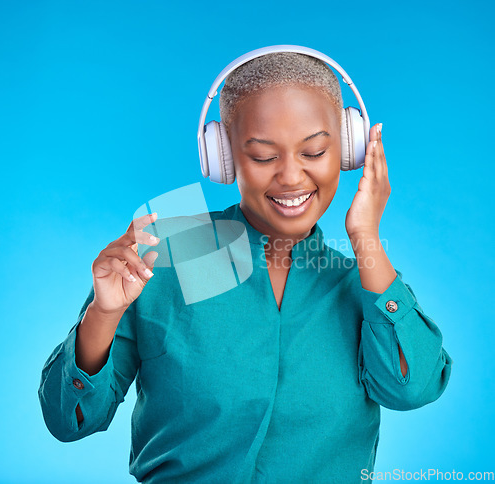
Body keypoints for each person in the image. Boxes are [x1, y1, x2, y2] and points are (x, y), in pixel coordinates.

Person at [38, 49, 453, 483]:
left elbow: (413, 389)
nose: (291, 177)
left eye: (314, 151)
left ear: (348, 150)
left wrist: (366, 235)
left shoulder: (359, 283)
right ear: (223, 157)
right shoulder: (166, 253)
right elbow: (69, 421)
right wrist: (103, 314)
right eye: (262, 156)